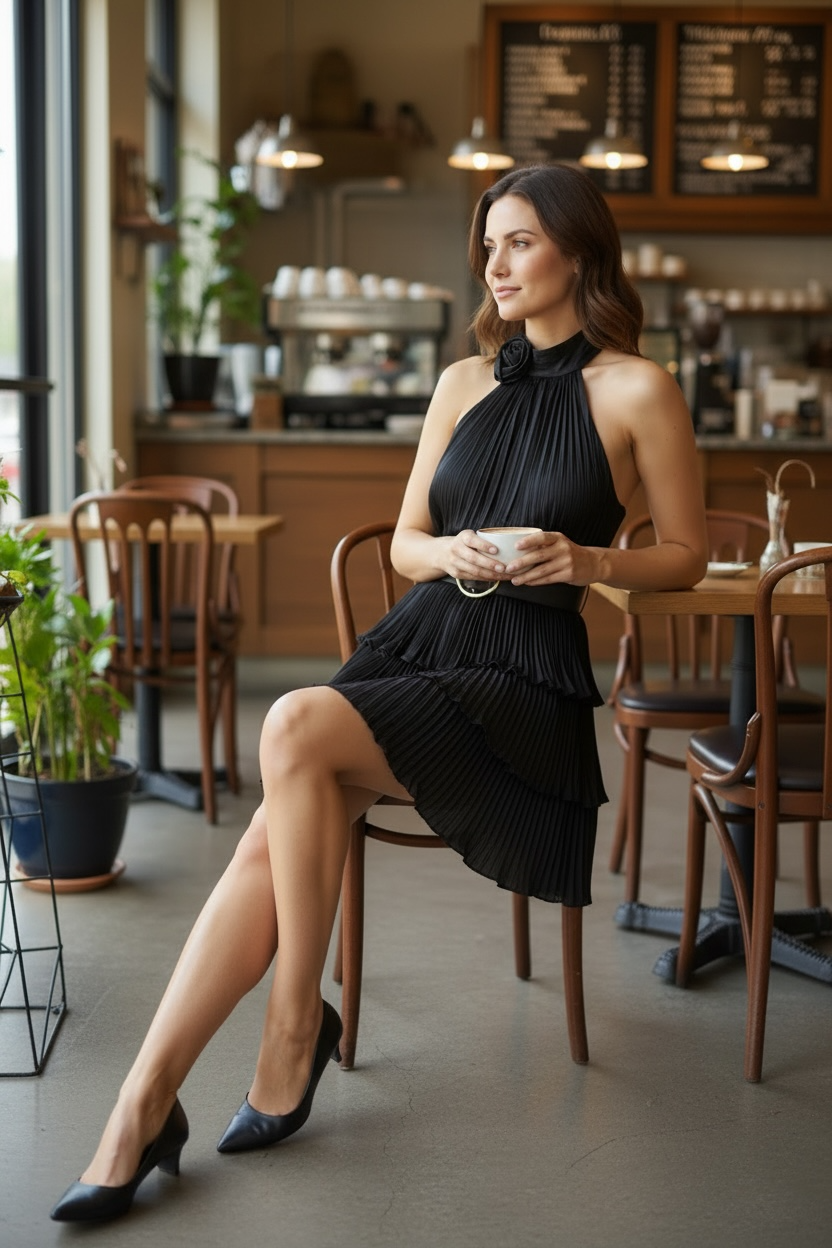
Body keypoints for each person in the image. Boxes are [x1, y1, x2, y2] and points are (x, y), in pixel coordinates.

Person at [51, 163, 707, 1222]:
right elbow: (403, 545)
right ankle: (144, 1102)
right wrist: (455, 552)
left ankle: (288, 1032)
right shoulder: (460, 383)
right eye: (487, 244)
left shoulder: (638, 389)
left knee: (294, 728)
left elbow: (679, 556)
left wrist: (585, 564)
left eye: (520, 243)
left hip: (521, 678)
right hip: (418, 645)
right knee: (280, 817)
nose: (493, 264)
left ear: (579, 253)